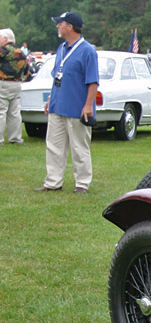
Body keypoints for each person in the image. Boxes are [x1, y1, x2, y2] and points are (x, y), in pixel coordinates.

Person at [36, 12, 98, 194]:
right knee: (53, 146)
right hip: (58, 106)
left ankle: (82, 183)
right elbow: (57, 77)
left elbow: (93, 81)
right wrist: (50, 99)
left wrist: (88, 105)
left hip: (77, 108)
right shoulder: (61, 48)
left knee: (79, 147)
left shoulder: (87, 50)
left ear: (70, 27)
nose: (57, 26)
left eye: (60, 23)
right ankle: (53, 182)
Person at [0, 27, 30, 145]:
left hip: (3, 83)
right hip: (17, 84)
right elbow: (27, 71)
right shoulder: (21, 52)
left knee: (1, 111)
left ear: (5, 39)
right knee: (15, 113)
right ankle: (16, 138)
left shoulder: (4, 50)